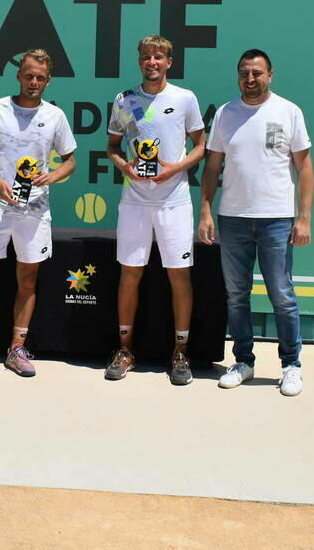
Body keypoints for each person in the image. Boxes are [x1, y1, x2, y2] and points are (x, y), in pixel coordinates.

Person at [197, 49, 314, 397]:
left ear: (270, 75)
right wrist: (205, 209)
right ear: (238, 76)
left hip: (277, 219)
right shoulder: (225, 114)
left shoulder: (288, 111)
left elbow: (304, 167)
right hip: (232, 219)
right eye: (245, 73)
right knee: (236, 296)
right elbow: (212, 168)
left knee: (282, 296)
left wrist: (304, 218)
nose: (251, 79)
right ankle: (244, 361)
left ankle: (291, 365)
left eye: (257, 73)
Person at [0, 49, 77, 383]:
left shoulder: (54, 116)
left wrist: (52, 176)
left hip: (35, 212)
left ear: (48, 80)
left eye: (40, 77)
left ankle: (17, 349)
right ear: (18, 75)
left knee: (27, 281)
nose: (34, 82)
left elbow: (70, 160)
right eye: (28, 76)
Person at [104, 36, 206, 385]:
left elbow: (201, 145)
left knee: (179, 275)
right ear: (140, 62)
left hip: (174, 201)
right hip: (134, 200)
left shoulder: (184, 98)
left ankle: (180, 351)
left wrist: (175, 168)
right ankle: (125, 349)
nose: (152, 62)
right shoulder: (125, 100)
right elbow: (113, 147)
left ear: (169, 62)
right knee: (130, 273)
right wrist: (125, 167)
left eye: (158, 57)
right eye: (146, 57)